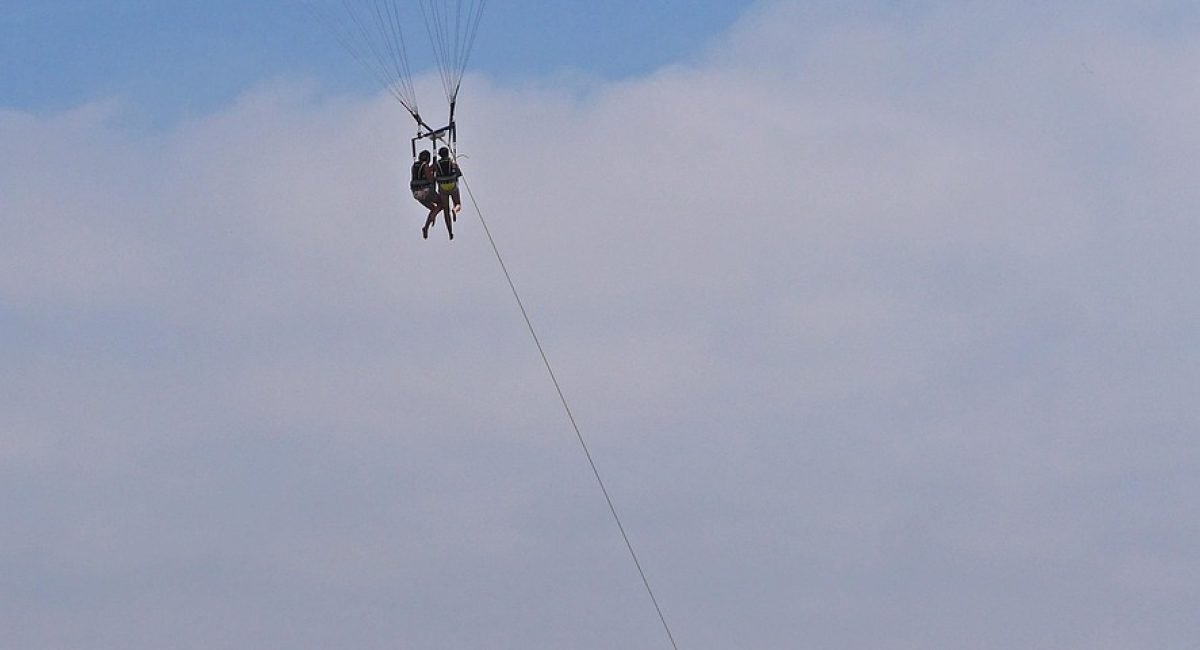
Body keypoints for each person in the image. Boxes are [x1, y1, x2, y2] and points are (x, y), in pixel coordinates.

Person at [411, 150, 443, 240]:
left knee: (433, 208)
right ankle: (433, 216)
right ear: (428, 159)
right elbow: (430, 179)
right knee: (442, 203)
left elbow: (424, 172)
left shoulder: (415, 166)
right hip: (425, 191)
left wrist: (432, 167)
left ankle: (426, 227)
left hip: (416, 193)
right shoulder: (425, 166)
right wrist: (435, 177)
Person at [434, 147, 463, 227]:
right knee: (458, 204)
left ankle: (449, 230)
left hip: (442, 187)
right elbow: (459, 174)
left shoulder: (437, 164)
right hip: (452, 186)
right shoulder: (452, 162)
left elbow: (435, 175)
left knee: (446, 210)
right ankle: (454, 210)